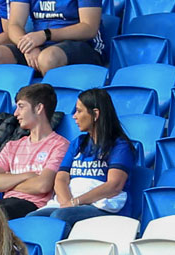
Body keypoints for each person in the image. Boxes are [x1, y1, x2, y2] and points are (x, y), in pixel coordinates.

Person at [33, 89, 134, 226]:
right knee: (32, 218)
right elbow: (61, 178)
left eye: (79, 111)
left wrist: (76, 202)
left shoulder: (120, 146)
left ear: (95, 114)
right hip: (72, 203)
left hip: (104, 206)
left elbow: (114, 186)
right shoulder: (78, 142)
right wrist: (67, 202)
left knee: (59, 217)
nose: (74, 116)